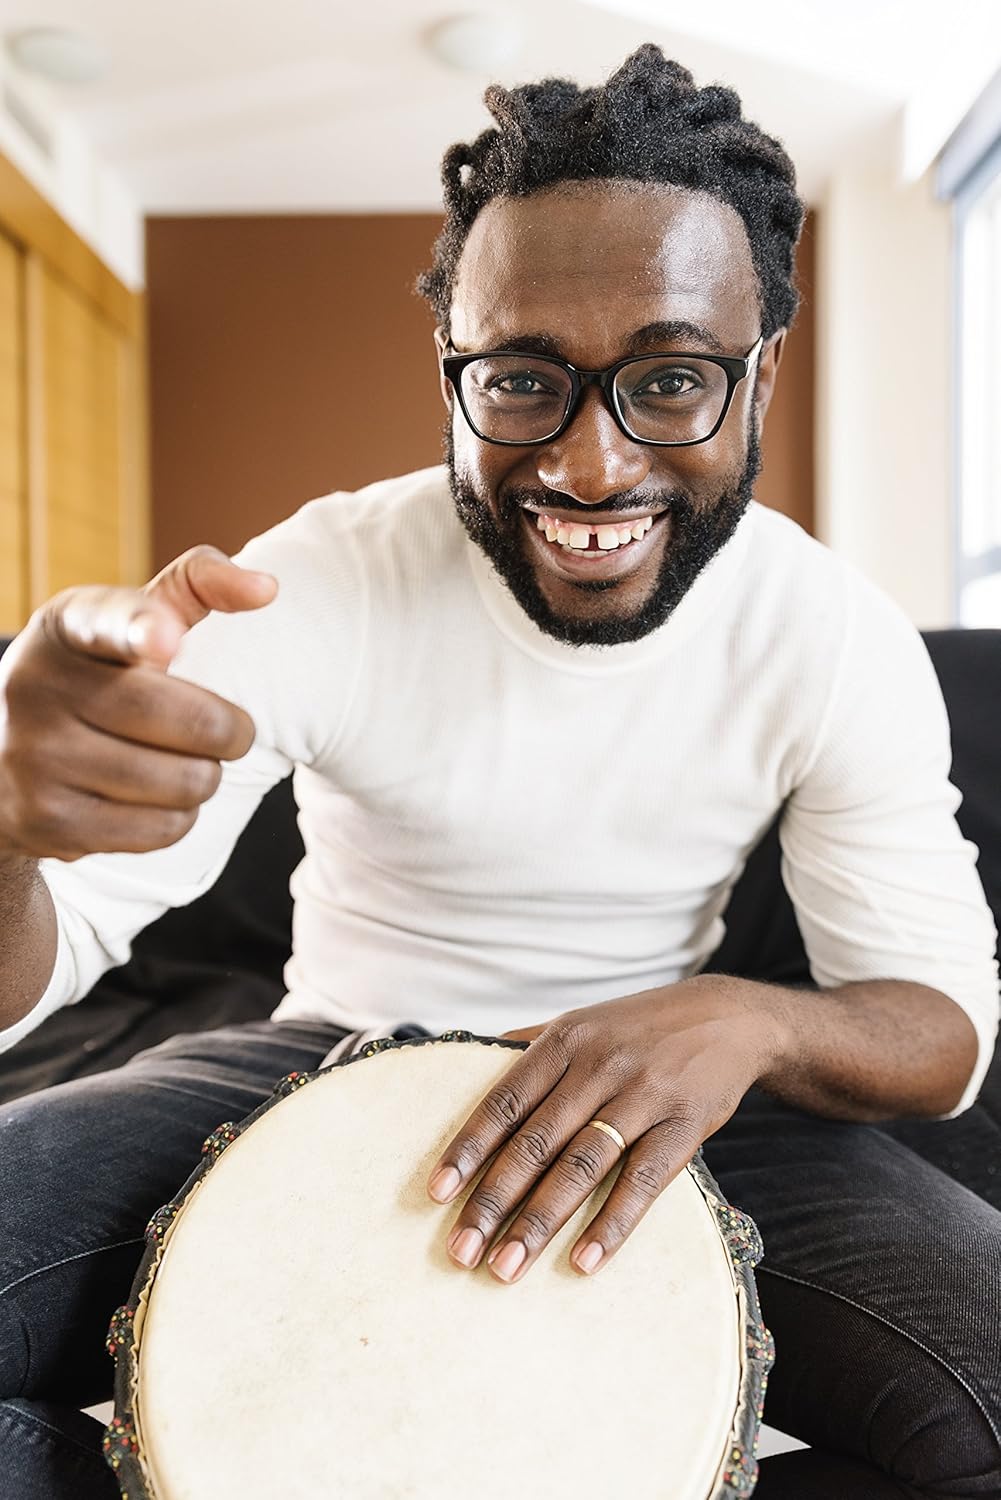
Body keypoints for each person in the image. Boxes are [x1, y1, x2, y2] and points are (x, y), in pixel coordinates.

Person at [0, 43, 998, 1500]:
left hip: (676, 1090)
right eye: (523, 380)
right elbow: (32, 976)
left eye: (669, 379)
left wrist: (744, 1026)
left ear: (758, 369)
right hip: (320, 1051)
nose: (590, 466)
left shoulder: (828, 636)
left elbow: (941, 1029)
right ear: (454, 367)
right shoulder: (313, 582)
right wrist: (6, 826)